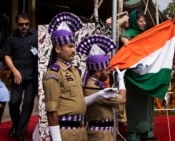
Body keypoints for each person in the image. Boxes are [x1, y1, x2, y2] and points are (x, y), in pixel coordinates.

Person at [43, 12, 118, 141]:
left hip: (81, 131)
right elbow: (52, 112)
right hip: (66, 132)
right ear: (58, 49)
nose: (73, 50)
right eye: (70, 46)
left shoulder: (74, 71)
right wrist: (56, 139)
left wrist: (98, 96)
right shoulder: (53, 74)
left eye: (74, 46)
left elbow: (78, 103)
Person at [77, 34, 126, 141]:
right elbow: (122, 99)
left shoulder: (94, 84)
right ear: (98, 72)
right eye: (107, 69)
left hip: (103, 133)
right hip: (99, 135)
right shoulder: (93, 87)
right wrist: (121, 80)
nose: (109, 72)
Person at [119, 9, 158, 141]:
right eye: (140, 21)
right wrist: (127, 44)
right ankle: (133, 134)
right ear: (134, 22)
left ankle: (147, 132)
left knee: (147, 106)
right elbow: (124, 37)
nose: (143, 23)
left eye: (144, 20)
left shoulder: (146, 35)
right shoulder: (130, 33)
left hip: (146, 77)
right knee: (135, 108)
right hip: (134, 79)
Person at [2, 12, 38, 141]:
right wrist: (14, 70)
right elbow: (6, 55)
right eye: (21, 24)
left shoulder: (36, 36)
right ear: (17, 24)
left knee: (28, 104)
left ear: (29, 23)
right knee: (13, 103)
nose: (24, 26)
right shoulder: (11, 38)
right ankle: (16, 125)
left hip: (32, 76)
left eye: (26, 24)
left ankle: (21, 133)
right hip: (17, 75)